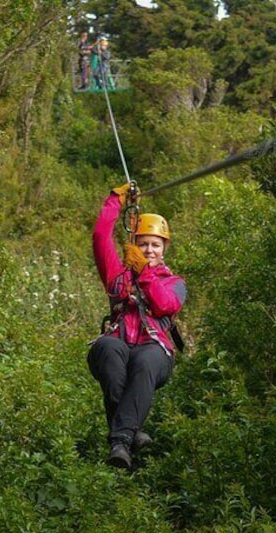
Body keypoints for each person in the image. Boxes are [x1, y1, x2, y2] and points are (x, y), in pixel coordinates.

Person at [87, 183, 186, 469]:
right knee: (108, 347)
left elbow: (165, 305)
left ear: (164, 248)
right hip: (118, 342)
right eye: (143, 243)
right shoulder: (118, 277)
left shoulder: (175, 283)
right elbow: (99, 236)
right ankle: (129, 435)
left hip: (154, 350)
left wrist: (144, 274)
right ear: (133, 245)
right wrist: (114, 201)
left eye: (155, 245)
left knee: (145, 359)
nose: (149, 250)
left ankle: (119, 439)